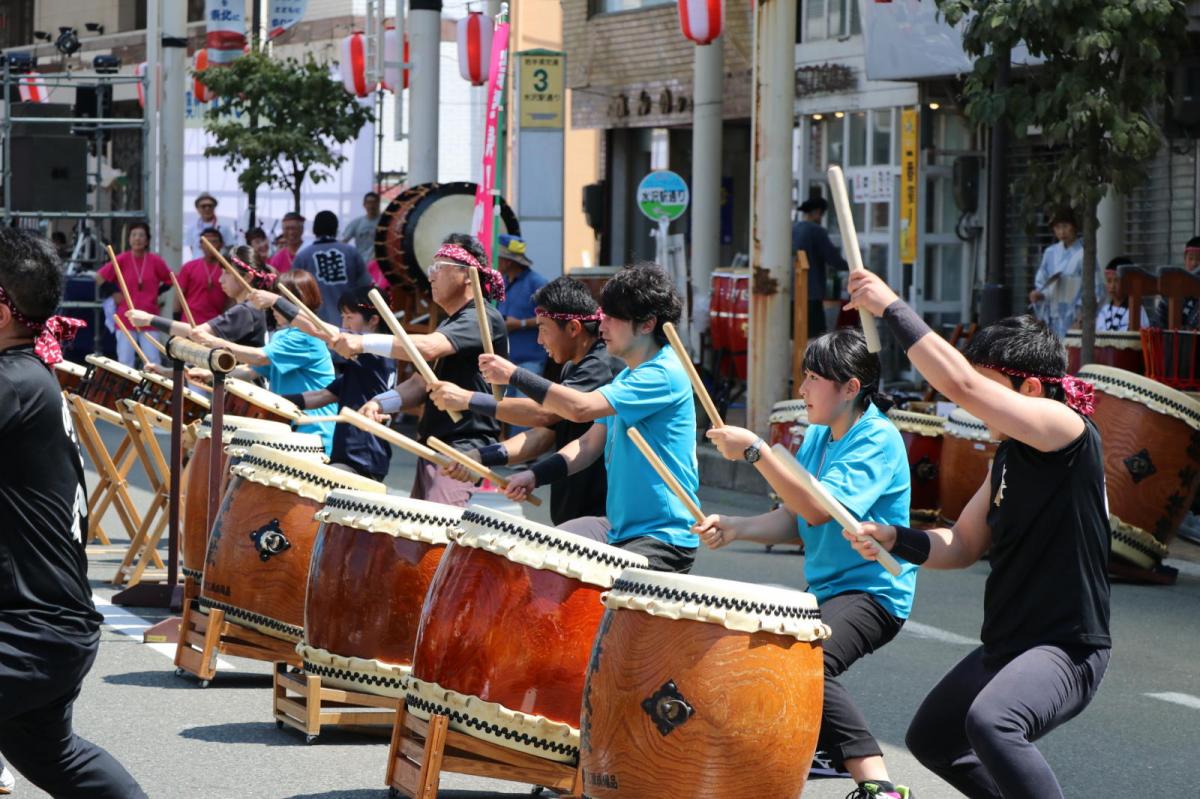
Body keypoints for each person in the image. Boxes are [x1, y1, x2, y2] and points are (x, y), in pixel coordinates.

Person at [846, 269, 1111, 799]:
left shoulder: (1068, 432)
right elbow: (962, 544)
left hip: (1065, 648)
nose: (975, 404)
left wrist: (891, 305)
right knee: (933, 738)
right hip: (1008, 645)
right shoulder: (1008, 458)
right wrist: (896, 539)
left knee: (993, 723)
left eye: (990, 389)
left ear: (1031, 390)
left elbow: (958, 384)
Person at [693, 328, 916, 799]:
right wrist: (737, 526)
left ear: (851, 387)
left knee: (810, 662)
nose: (803, 390)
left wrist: (756, 450)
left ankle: (879, 786)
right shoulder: (818, 436)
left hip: (875, 591)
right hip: (827, 591)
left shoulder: (876, 438)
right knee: (756, 652)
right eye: (805, 377)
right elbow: (796, 519)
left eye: (814, 378)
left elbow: (820, 509)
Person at [0, 227, 147, 798]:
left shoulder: (15, 382)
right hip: (42, 623)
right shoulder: (24, 379)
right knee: (57, 757)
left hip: (31, 628)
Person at [480, 264, 700, 573]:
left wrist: (514, 374)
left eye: (611, 317)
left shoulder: (663, 374)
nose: (602, 325)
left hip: (661, 537)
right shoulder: (626, 376)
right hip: (618, 528)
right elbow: (588, 444)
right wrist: (534, 476)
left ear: (647, 324)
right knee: (534, 557)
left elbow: (579, 408)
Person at [429, 276, 621, 524]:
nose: (539, 340)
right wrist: (479, 456)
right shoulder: (573, 367)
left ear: (573, 328)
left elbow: (544, 414)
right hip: (572, 511)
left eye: (543, 329)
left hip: (602, 515)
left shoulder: (601, 365)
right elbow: (542, 434)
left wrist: (470, 399)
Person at [338, 233, 508, 504]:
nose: (431, 276)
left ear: (467, 275)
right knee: (415, 539)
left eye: (439, 267)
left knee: (436, 536)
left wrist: (363, 342)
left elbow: (427, 348)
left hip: (463, 448)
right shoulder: (451, 322)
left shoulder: (481, 317)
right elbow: (420, 383)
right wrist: (381, 402)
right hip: (435, 445)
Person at [195, 269, 338, 453]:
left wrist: (217, 343)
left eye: (278, 302)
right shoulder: (283, 335)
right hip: (288, 429)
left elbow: (260, 357)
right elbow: (251, 370)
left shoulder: (305, 337)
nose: (273, 308)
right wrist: (210, 374)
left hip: (311, 433)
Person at [282, 287, 394, 481]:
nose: (344, 324)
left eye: (350, 318)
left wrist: (277, 302)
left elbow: (319, 330)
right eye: (342, 317)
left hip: (363, 457)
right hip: (350, 455)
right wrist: (277, 402)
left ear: (374, 320)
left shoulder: (375, 356)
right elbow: (322, 396)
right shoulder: (360, 367)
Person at [126, 244, 272, 349]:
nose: (220, 280)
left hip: (244, 389)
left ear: (247, 277)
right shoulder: (251, 308)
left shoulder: (246, 311)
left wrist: (149, 319)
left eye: (226, 273)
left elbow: (197, 333)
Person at [95, 220, 172, 367]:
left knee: (153, 360)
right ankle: (126, 390)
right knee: (125, 360)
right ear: (129, 239)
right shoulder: (122, 258)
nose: (137, 238)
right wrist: (114, 292)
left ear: (147, 240)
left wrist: (157, 293)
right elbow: (99, 277)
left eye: (141, 235)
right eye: (134, 235)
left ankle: (151, 390)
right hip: (126, 317)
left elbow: (170, 280)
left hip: (149, 317)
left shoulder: (155, 260)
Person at [291, 210, 372, 329]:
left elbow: (292, 292)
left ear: (314, 230)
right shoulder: (351, 252)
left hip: (315, 325)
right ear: (336, 229)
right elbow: (366, 287)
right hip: (350, 323)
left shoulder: (303, 256)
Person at [1029, 208, 1101, 339]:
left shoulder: (1084, 253)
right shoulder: (1050, 253)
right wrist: (1038, 294)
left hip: (1076, 316)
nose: (1062, 231)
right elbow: (1042, 281)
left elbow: (1095, 287)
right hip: (1052, 314)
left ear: (1074, 227)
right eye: (1057, 227)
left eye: (1065, 226)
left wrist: (1082, 316)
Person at [792, 196, 848, 338]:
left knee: (795, 335)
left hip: (793, 292)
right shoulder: (817, 231)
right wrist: (853, 267)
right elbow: (833, 259)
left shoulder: (793, 229)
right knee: (815, 337)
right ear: (817, 212)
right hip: (812, 292)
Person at [497, 234, 549, 378]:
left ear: (508, 262)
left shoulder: (537, 283)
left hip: (529, 361)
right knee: (504, 401)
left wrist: (521, 324)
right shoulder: (502, 283)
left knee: (524, 401)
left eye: (498, 258)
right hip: (505, 360)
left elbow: (550, 317)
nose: (493, 262)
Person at [176, 227, 230, 325]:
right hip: (189, 323)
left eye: (214, 241)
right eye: (206, 242)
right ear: (200, 245)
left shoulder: (227, 270)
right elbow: (179, 296)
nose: (210, 246)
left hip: (215, 325)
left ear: (221, 245)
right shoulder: (189, 267)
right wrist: (176, 320)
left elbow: (231, 299)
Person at [1154, 235, 1200, 329]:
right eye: (1190, 259)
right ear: (1184, 260)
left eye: (1199, 259)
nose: (1194, 263)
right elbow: (1158, 323)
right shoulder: (1173, 288)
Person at [1096, 256, 1149, 332]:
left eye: (1116, 281)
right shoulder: (1104, 310)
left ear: (1128, 283)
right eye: (1109, 281)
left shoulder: (1137, 311)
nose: (1112, 286)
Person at [185, 192, 236, 260]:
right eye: (203, 206)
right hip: (198, 266)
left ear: (214, 207)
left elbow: (230, 248)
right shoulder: (191, 229)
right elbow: (192, 249)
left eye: (210, 206)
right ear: (197, 209)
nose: (207, 209)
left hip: (218, 266)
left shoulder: (224, 228)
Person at [340, 191, 382, 264]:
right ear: (364, 205)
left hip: (379, 264)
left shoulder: (385, 223)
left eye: (374, 202)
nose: (371, 205)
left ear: (378, 204)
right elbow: (343, 241)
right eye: (369, 202)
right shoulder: (356, 223)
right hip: (361, 263)